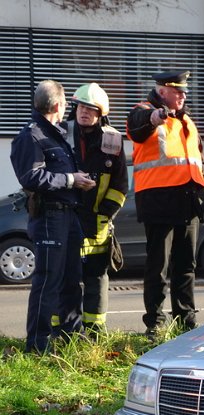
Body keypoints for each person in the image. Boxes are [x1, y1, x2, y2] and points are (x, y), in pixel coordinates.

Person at [10, 80, 96, 353]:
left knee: (72, 277)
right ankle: (37, 344)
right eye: (66, 105)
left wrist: (78, 180)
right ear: (57, 105)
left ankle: (71, 334)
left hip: (68, 216)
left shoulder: (55, 135)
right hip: (50, 218)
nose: (66, 110)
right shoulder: (31, 136)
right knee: (48, 280)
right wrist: (72, 179)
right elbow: (31, 177)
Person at [126, 70, 204, 336]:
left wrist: (202, 179)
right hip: (159, 201)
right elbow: (138, 126)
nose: (184, 95)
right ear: (162, 91)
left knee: (186, 266)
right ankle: (156, 322)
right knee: (157, 267)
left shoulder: (186, 120)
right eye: (178, 91)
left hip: (188, 201)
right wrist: (155, 116)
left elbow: (197, 157)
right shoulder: (144, 111)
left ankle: (186, 320)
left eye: (185, 91)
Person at [64, 83, 128, 334]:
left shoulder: (112, 140)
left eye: (91, 109)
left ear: (101, 113)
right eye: (81, 107)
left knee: (96, 279)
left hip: (98, 223)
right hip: (67, 219)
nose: (85, 112)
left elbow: (120, 184)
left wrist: (105, 212)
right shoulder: (61, 133)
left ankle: (94, 333)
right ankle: (65, 334)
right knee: (66, 280)